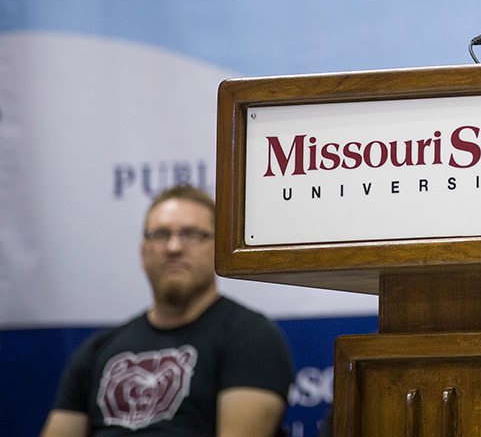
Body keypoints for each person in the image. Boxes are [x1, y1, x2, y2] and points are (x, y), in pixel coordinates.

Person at [40, 184, 295, 436]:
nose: (174, 248)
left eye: (192, 234)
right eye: (161, 235)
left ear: (219, 250)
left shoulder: (251, 338)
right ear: (143, 252)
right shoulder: (97, 351)